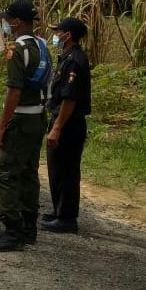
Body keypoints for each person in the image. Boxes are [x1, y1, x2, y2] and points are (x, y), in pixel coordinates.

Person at [0, 0, 48, 252]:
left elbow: (14, 91)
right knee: (28, 172)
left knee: (3, 173)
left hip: (21, 119)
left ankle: (12, 230)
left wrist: (1, 127)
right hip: (38, 117)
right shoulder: (42, 45)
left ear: (17, 22)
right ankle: (29, 228)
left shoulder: (17, 50)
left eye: (8, 20)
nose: (5, 24)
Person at [42, 17, 91, 233]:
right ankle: (59, 210)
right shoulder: (67, 57)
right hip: (62, 120)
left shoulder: (74, 61)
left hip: (68, 123)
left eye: (58, 32)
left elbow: (69, 99)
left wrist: (57, 128)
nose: (55, 35)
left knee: (67, 170)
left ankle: (67, 218)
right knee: (56, 168)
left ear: (68, 35)